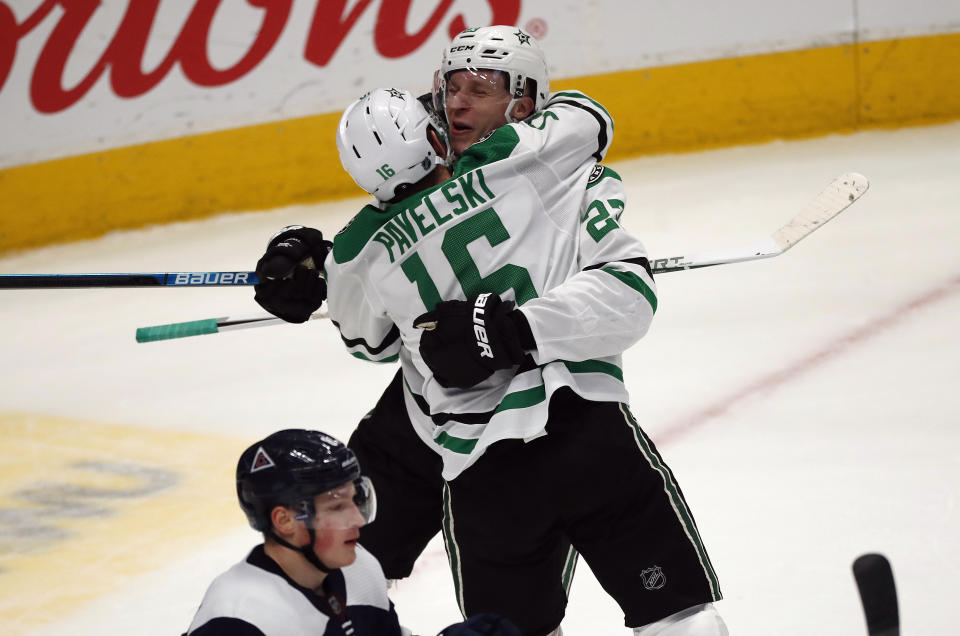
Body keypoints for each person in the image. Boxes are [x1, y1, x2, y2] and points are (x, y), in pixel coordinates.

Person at [253, 26, 726, 636]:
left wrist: (339, 271)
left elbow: (368, 336)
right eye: (450, 88)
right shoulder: (554, 156)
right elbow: (586, 119)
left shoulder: (367, 247)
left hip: (533, 436)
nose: (457, 103)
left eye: (480, 89)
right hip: (484, 446)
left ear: (523, 103)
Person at [183, 428, 520, 636]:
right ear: (285, 521)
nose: (358, 519)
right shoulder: (239, 619)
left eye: (355, 499)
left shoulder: (359, 568)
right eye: (336, 507)